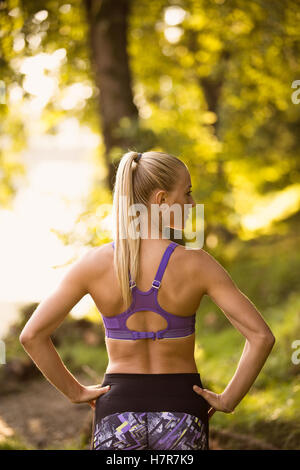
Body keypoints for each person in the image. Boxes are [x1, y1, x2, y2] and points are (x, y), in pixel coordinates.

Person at [19, 150, 275, 451]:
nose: (192, 204)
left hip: (116, 413)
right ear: (162, 200)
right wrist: (228, 399)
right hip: (181, 411)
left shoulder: (94, 264)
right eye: (187, 193)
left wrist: (74, 392)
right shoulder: (197, 264)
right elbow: (261, 336)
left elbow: (32, 335)